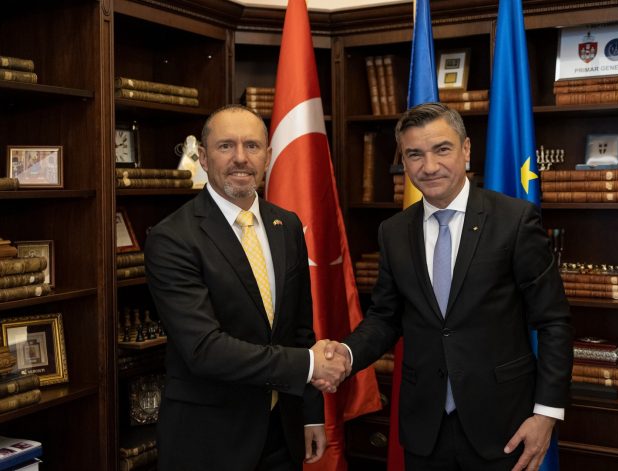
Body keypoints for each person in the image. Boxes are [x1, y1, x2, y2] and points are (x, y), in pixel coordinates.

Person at [320, 102, 573, 471]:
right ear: (404, 161)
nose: (429, 166)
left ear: (466, 150)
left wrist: (546, 414)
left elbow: (553, 321)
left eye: (442, 149)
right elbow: (386, 318)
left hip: (504, 425)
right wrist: (346, 353)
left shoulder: (514, 221)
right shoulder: (393, 232)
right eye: (415, 154)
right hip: (425, 428)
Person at [145, 105, 348, 471]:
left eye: (252, 146)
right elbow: (204, 349)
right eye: (226, 146)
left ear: (267, 157)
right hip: (209, 440)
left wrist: (310, 415)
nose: (240, 158)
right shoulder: (172, 238)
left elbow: (300, 330)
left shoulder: (287, 225)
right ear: (203, 157)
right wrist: (309, 364)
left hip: (282, 432)